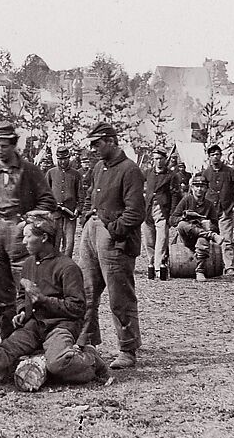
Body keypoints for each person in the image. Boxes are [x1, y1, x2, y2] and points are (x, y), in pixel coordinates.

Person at [0, 213, 107, 389]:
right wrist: (21, 312)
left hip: (60, 326)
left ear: (44, 238)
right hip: (34, 325)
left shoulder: (67, 267)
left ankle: (91, 359)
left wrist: (43, 300)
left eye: (27, 236)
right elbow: (20, 296)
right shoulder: (29, 264)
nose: (24, 242)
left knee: (56, 364)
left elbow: (78, 308)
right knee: (7, 349)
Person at [0, 121, 56, 339]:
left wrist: (26, 221)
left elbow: (48, 201)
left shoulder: (30, 171)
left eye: (4, 145)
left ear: (13, 145)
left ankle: (28, 338)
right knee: (0, 291)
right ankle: (7, 341)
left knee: (25, 285)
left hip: (18, 232)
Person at [78, 122, 145, 370]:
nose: (93, 149)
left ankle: (128, 349)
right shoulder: (98, 167)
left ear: (112, 141)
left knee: (120, 297)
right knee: (85, 292)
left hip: (116, 239)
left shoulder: (130, 170)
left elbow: (136, 212)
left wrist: (113, 229)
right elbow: (89, 196)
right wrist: (88, 217)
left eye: (98, 143)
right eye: (92, 144)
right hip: (91, 234)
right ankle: (87, 343)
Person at [171, 174, 223, 281]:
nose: (199, 189)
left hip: (200, 237)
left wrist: (208, 225)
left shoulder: (209, 205)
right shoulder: (186, 201)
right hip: (186, 236)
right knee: (182, 225)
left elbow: (216, 226)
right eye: (197, 186)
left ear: (206, 189)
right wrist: (183, 217)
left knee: (203, 240)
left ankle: (200, 271)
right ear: (192, 187)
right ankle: (209, 235)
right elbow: (172, 219)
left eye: (202, 186)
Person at [142, 147, 180, 281]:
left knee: (162, 240)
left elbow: (176, 195)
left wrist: (173, 214)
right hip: (147, 211)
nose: (158, 161)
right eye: (155, 159)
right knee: (148, 240)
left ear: (165, 159)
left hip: (162, 211)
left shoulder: (171, 176)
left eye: (160, 159)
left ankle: (160, 267)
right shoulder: (147, 173)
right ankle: (151, 264)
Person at [200, 144, 234, 275]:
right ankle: (209, 266)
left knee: (227, 240)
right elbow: (200, 191)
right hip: (210, 212)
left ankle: (229, 267)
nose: (215, 157)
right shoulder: (206, 173)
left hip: (225, 211)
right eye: (212, 155)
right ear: (209, 157)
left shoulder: (229, 171)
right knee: (208, 238)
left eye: (217, 154)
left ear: (221, 156)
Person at [45, 146, 82, 258]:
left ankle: (66, 267)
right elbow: (45, 193)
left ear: (69, 158)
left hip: (70, 214)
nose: (62, 161)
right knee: (54, 242)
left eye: (65, 158)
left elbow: (81, 195)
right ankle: (53, 266)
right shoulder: (51, 173)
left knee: (69, 244)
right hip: (55, 214)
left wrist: (78, 209)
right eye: (60, 159)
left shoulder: (75, 174)